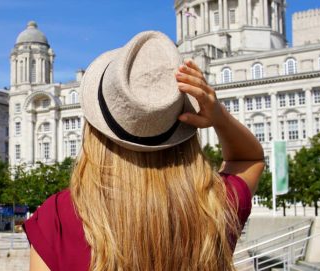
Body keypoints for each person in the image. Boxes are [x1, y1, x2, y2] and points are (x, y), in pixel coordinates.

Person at [24, 31, 264, 271]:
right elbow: (249, 158)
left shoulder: (57, 217)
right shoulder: (215, 206)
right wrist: (219, 117)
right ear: (184, 125)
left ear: (94, 130)